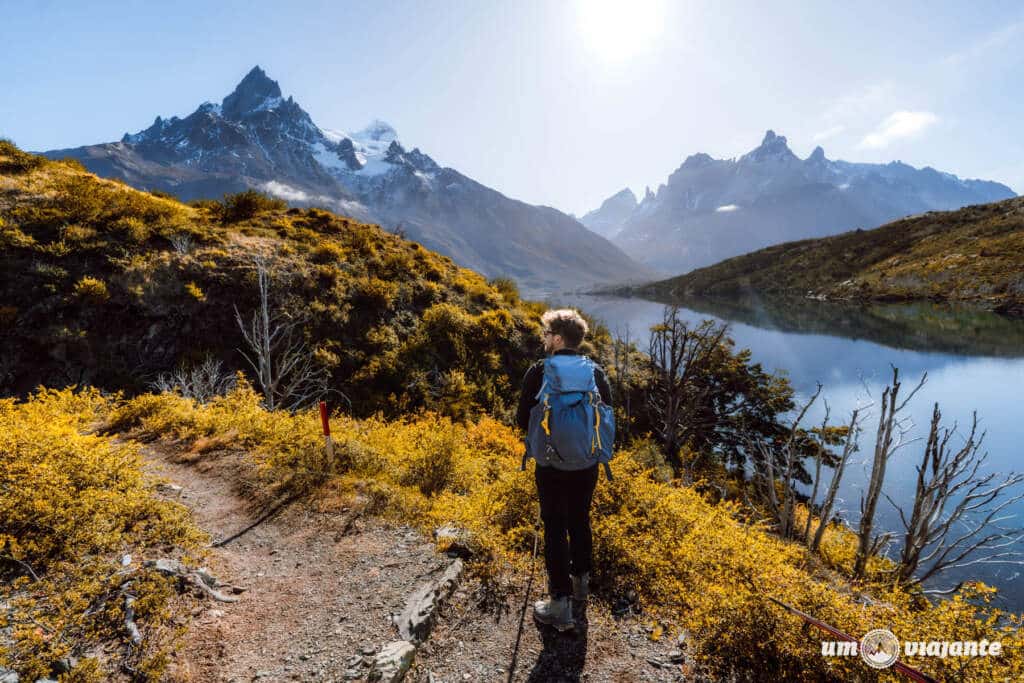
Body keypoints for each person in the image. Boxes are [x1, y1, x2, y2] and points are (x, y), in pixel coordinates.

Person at [516, 308, 612, 632]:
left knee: (555, 526)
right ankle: (581, 587)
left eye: (546, 334)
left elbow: (521, 418)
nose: (544, 339)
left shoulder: (539, 371)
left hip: (550, 462)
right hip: (587, 462)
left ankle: (560, 605)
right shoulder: (595, 372)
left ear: (557, 338)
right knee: (580, 519)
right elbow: (608, 416)